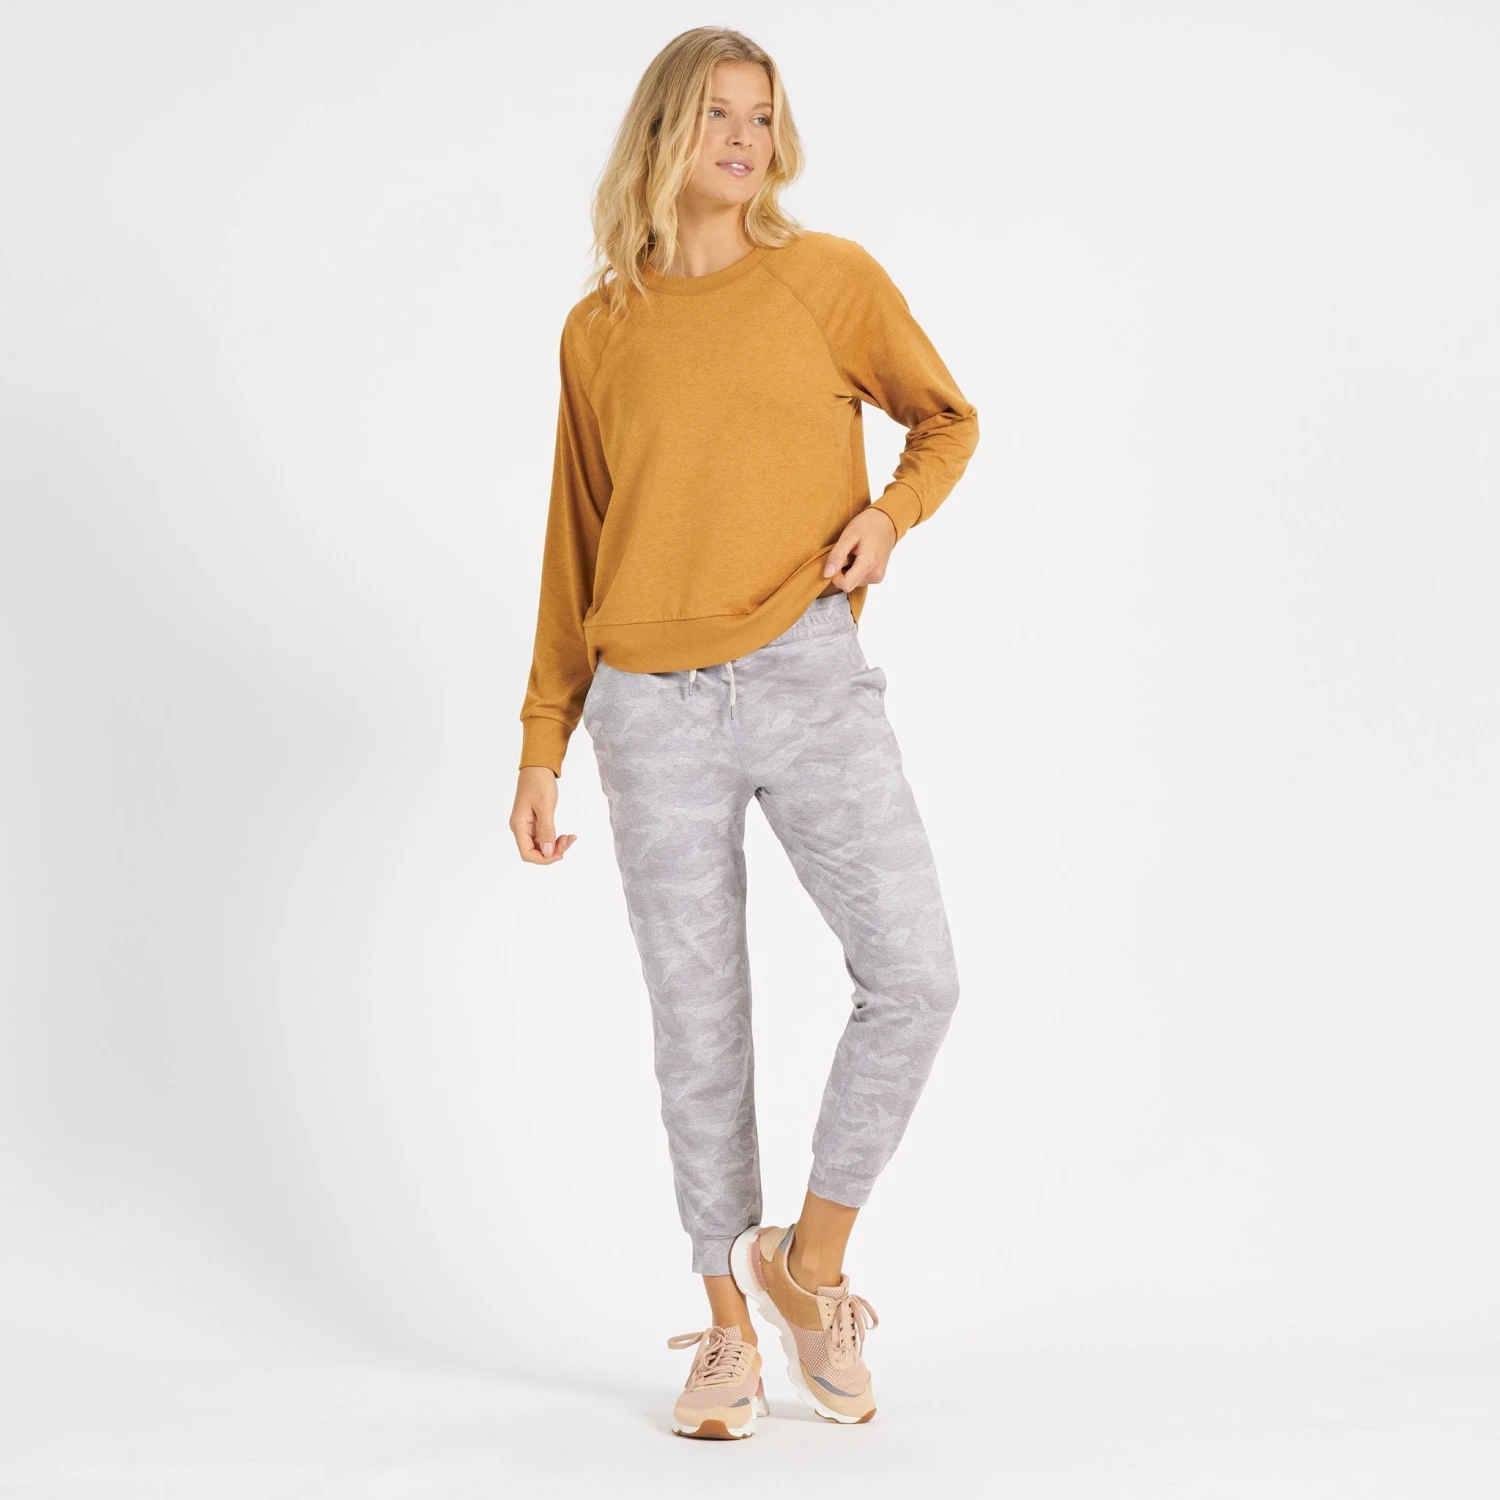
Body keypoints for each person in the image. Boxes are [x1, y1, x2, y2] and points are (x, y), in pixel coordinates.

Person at [511, 26, 979, 1439]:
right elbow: (574, 542)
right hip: (647, 705)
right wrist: (543, 740)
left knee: (917, 975)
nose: (743, 138)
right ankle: (725, 1327)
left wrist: (888, 518)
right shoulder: (599, 329)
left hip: (805, 670)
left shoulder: (828, 279)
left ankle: (806, 1267)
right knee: (698, 1022)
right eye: (717, 114)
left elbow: (946, 421)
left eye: (762, 117)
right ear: (664, 132)